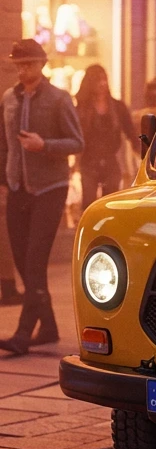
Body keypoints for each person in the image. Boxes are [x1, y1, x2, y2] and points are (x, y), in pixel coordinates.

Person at [0, 39, 84, 355]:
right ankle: (47, 327)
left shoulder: (60, 99)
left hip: (50, 188)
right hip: (18, 188)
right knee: (23, 263)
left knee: (35, 261)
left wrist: (44, 145)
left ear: (42, 64)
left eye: (29, 64)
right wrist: (4, 181)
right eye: (19, 65)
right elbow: (3, 144)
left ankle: (23, 334)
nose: (23, 70)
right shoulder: (9, 98)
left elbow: (77, 142)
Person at [76, 64, 139, 207]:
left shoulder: (117, 107)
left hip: (110, 161)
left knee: (109, 204)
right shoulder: (81, 109)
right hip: (88, 161)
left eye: (104, 79)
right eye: (98, 80)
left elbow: (131, 133)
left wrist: (142, 153)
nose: (102, 84)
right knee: (89, 203)